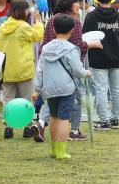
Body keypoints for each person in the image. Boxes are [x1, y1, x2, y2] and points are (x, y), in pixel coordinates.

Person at [32, 0, 102, 143]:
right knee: (74, 99)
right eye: (77, 2)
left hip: (51, 66)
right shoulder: (74, 22)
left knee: (50, 98)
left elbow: (44, 44)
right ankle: (74, 130)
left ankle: (41, 123)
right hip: (69, 68)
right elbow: (76, 46)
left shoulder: (52, 20)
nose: (79, 5)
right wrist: (91, 44)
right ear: (70, 3)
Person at [33, 14, 91, 160]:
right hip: (66, 89)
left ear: (53, 29)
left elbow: (39, 70)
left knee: (53, 117)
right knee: (64, 118)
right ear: (72, 31)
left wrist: (36, 89)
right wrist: (86, 73)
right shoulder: (72, 49)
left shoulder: (46, 48)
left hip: (49, 88)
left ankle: (54, 149)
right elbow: (77, 70)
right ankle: (61, 151)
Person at [0, 0, 44, 139]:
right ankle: (27, 127)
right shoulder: (23, 27)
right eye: (27, 9)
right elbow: (37, 36)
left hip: (6, 70)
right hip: (24, 70)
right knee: (26, 99)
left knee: (8, 99)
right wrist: (39, 22)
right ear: (23, 11)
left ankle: (8, 127)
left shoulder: (2, 27)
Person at [82, 0, 119, 131]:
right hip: (116, 57)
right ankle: (115, 119)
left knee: (101, 89)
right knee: (116, 90)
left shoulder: (91, 16)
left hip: (98, 57)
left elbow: (85, 37)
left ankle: (104, 121)